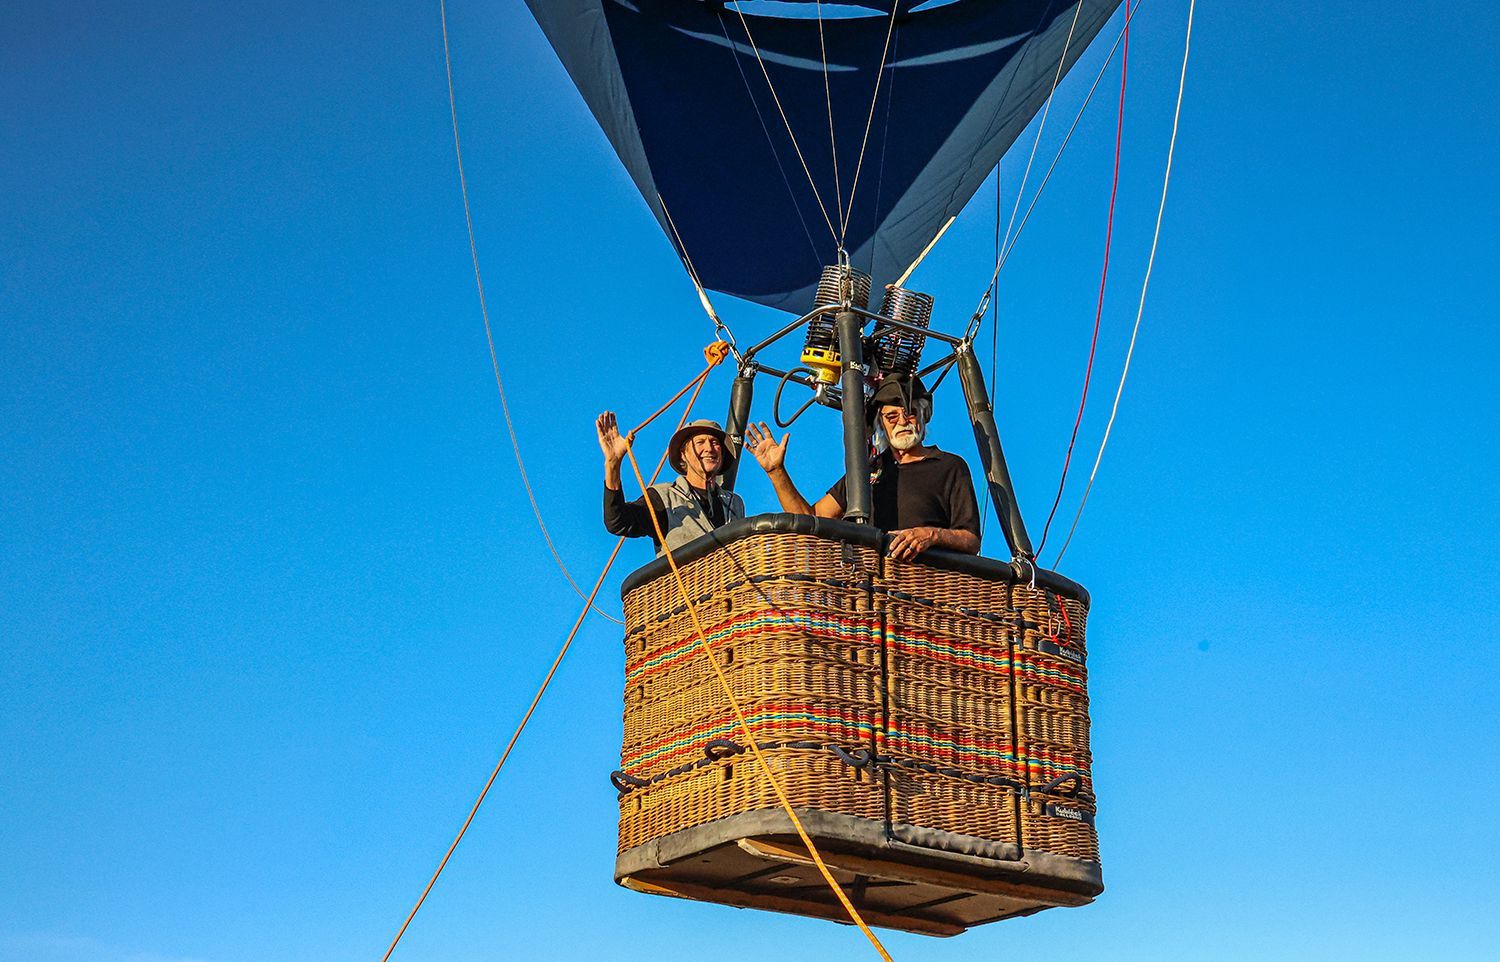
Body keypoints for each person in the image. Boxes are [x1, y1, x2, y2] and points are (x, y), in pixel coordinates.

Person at [744, 375, 980, 561]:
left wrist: (929, 535)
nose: (902, 422)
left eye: (910, 413)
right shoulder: (867, 471)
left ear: (923, 415)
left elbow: (970, 540)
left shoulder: (949, 466)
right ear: (881, 423)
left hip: (922, 591)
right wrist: (776, 472)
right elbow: (811, 520)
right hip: (867, 594)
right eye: (892, 416)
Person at [597, 413, 745, 554]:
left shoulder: (734, 503)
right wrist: (613, 464)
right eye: (700, 442)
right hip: (686, 579)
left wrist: (770, 472)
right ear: (683, 454)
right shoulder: (663, 497)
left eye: (715, 443)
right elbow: (617, 521)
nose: (709, 448)